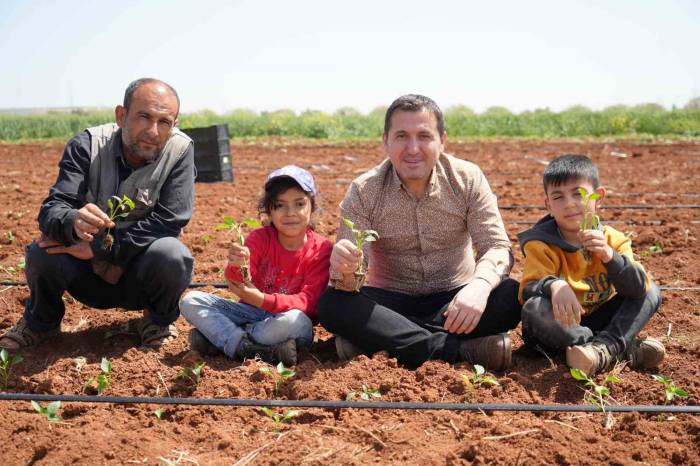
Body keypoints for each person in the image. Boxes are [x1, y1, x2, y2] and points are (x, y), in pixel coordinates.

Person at [317, 94, 521, 370]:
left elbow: (497, 246)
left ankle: (379, 342)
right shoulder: (365, 191)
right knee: (333, 304)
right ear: (385, 141)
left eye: (424, 136)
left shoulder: (468, 179)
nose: (413, 148)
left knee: (511, 295)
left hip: (456, 300)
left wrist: (479, 287)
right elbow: (351, 279)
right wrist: (347, 268)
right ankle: (456, 351)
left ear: (442, 140)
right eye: (401, 136)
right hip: (390, 303)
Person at [0, 78, 195, 350]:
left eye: (165, 121)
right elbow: (53, 209)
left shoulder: (180, 150)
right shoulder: (88, 145)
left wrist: (101, 247)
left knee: (173, 254)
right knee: (42, 250)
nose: (153, 131)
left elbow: (170, 219)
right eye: (144, 117)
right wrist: (73, 221)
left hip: (139, 271)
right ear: (121, 115)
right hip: (85, 274)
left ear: (174, 123)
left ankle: (157, 321)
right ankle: (40, 324)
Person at [518, 154, 664, 376]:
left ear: (599, 197)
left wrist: (609, 256)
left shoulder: (613, 239)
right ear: (548, 204)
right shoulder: (540, 243)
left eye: (579, 194)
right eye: (558, 197)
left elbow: (636, 288)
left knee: (649, 289)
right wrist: (554, 286)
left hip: (601, 319)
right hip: (562, 326)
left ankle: (603, 350)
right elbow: (528, 289)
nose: (569, 204)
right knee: (534, 308)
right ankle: (617, 349)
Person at [179, 165, 332, 366]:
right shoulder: (260, 238)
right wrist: (236, 265)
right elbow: (238, 281)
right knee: (191, 300)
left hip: (284, 321)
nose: (290, 213)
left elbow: (308, 304)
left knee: (297, 321)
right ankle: (255, 350)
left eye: (299, 204)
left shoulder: (322, 249)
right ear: (269, 209)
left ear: (312, 207)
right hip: (250, 313)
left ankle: (225, 341)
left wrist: (261, 299)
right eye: (280, 205)